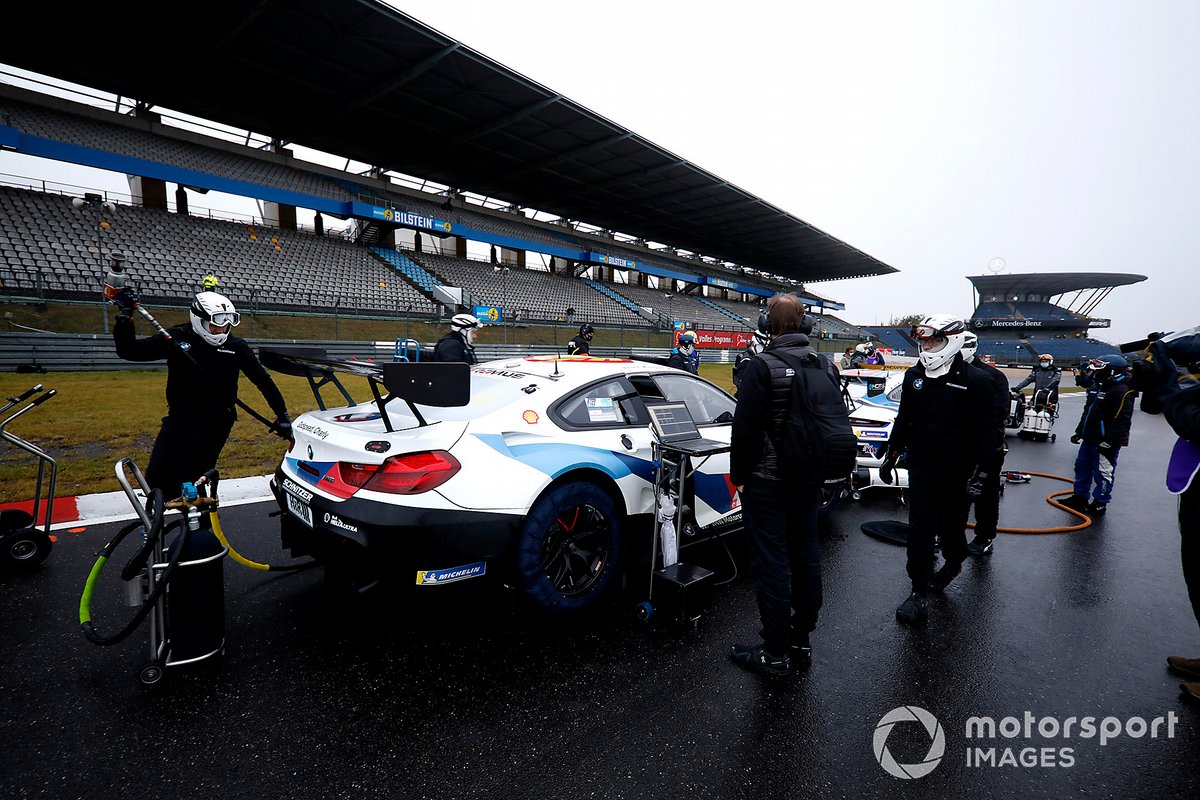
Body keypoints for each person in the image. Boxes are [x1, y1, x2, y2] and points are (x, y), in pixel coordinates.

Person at [728, 294, 835, 676]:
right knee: (806, 559)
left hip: (768, 482)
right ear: (805, 325)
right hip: (808, 481)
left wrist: (738, 476)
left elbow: (744, 432)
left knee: (771, 564)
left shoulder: (761, 366)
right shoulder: (824, 363)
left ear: (765, 324)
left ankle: (774, 653)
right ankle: (801, 640)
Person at [880, 314, 998, 624]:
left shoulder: (979, 381)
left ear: (954, 339)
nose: (928, 346)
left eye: (935, 340)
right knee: (920, 530)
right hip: (923, 469)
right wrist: (891, 453)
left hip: (959, 472)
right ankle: (918, 590)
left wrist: (983, 473)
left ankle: (954, 561)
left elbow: (989, 433)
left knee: (951, 530)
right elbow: (904, 418)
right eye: (925, 340)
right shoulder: (914, 377)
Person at [113, 290, 290, 495]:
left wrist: (282, 415)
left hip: (215, 423)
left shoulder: (237, 347)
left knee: (190, 480)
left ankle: (201, 523)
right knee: (156, 480)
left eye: (226, 324)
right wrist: (125, 317)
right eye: (214, 324)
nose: (220, 329)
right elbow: (129, 351)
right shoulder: (177, 338)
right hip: (179, 418)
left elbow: (263, 380)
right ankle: (159, 523)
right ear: (199, 320)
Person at [1061, 355, 1136, 517]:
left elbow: (1122, 419)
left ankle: (1100, 503)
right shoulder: (1101, 386)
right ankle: (1079, 497)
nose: (1096, 373)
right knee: (1081, 467)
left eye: (1100, 369)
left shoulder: (1122, 391)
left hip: (1105, 442)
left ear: (1112, 371)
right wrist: (1079, 431)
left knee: (1103, 472)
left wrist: (1110, 440)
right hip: (1089, 437)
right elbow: (1089, 412)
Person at [960, 331, 1013, 556]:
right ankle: (946, 532)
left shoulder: (993, 376)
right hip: (954, 447)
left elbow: (1001, 412)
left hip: (986, 447)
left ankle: (984, 536)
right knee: (951, 493)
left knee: (985, 494)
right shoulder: (944, 373)